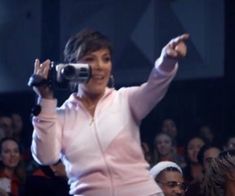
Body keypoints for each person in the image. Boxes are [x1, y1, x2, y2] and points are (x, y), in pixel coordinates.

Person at [29, 28, 189, 195]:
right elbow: (46, 157)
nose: (99, 66)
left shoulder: (125, 100)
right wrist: (45, 101)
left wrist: (167, 61)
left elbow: (154, 88)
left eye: (105, 59)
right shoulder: (60, 116)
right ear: (72, 66)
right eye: (90, 59)